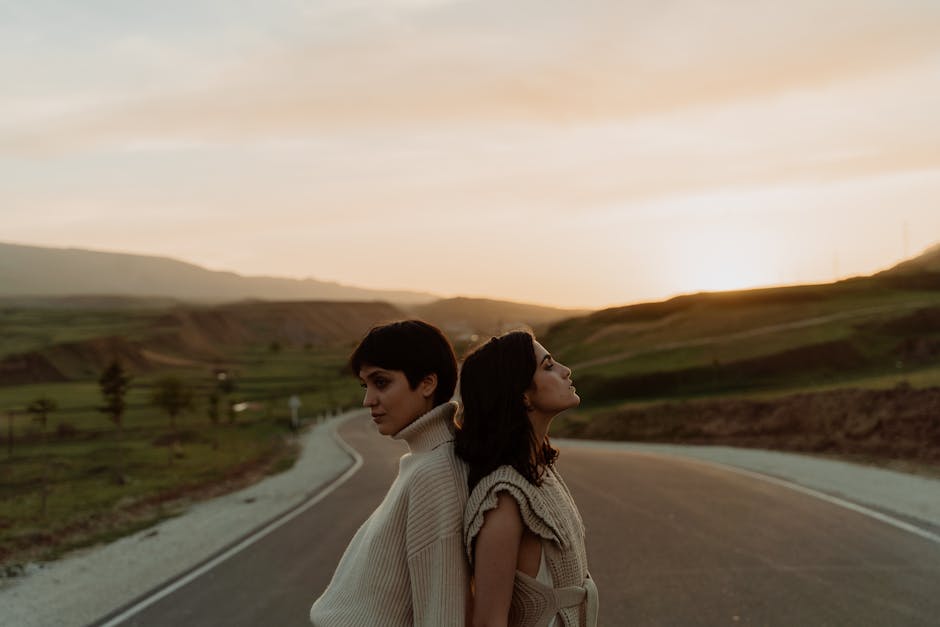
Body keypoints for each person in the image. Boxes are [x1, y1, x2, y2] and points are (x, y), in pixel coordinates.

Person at [309, 320, 470, 626]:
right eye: (365, 385)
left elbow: (444, 611)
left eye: (381, 382)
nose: (367, 400)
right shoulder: (424, 461)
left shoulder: (436, 474)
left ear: (427, 383)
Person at [455, 331, 597, 627]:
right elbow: (488, 621)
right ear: (522, 396)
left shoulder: (541, 470)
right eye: (548, 366)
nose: (565, 370)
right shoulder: (504, 499)